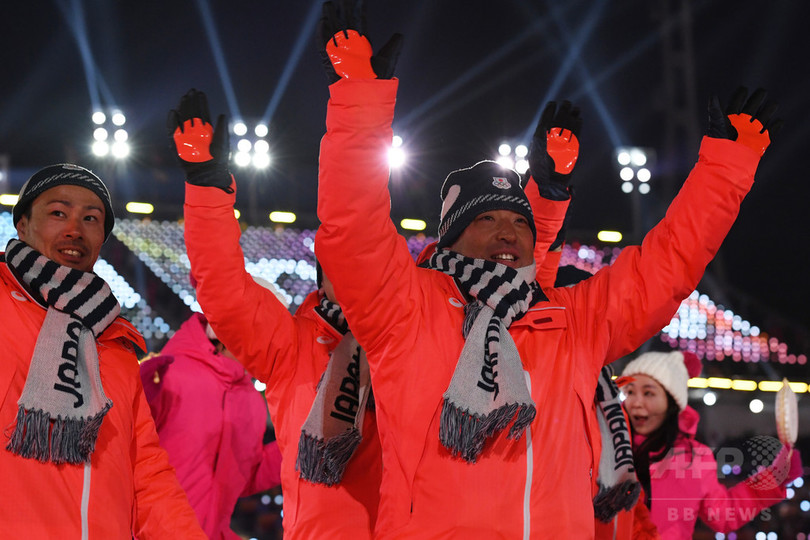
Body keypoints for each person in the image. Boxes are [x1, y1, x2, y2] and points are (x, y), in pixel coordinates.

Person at [313, 1, 783, 536]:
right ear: (452, 238)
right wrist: (357, 103)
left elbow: (667, 266)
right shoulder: (406, 307)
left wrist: (724, 171)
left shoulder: (570, 320)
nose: (507, 231)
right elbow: (352, 230)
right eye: (486, 219)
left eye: (517, 221)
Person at [168, 88, 383, 538]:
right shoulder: (290, 344)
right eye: (338, 270)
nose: (351, 281)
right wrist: (208, 190)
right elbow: (225, 293)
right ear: (320, 280)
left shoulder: (414, 334)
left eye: (362, 267)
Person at [0, 163, 205, 537]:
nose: (74, 230)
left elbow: (146, 469)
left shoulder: (114, 342)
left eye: (91, 219)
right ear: (23, 225)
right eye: (58, 213)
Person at [620, 350, 802, 539]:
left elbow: (722, 515)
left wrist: (774, 478)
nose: (636, 402)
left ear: (671, 400)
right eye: (630, 392)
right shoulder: (607, 444)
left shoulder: (695, 457)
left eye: (649, 393)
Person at [139, 304, 283, 540]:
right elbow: (128, 447)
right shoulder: (170, 374)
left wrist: (297, 447)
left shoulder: (251, 400)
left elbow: (243, 476)